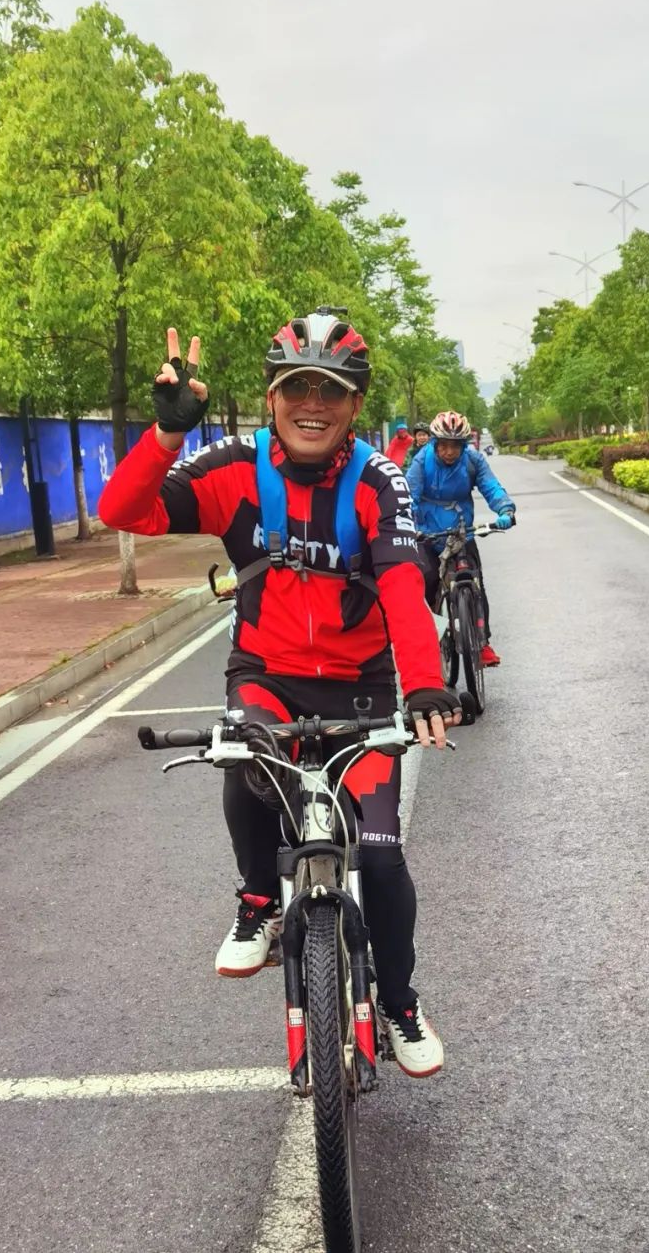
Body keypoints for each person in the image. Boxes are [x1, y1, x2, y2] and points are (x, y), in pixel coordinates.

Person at [98, 309, 460, 1077]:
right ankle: (259, 900)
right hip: (268, 676)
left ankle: (398, 1003)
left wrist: (425, 684)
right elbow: (122, 511)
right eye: (297, 386)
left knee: (386, 859)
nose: (313, 404)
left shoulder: (377, 479)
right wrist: (164, 436)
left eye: (331, 391)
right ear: (271, 395)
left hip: (363, 693)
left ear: (355, 404)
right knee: (243, 758)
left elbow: (401, 583)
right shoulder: (234, 467)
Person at [407, 409, 516, 668]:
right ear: (434, 443)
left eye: (454, 446)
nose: (448, 452)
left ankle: (483, 643)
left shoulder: (473, 460)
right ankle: (433, 637)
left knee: (475, 581)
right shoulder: (422, 461)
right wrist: (407, 524)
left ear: (463, 445)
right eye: (443, 445)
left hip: (461, 531)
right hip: (428, 533)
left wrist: (505, 509)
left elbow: (490, 485)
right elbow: (408, 495)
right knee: (428, 579)